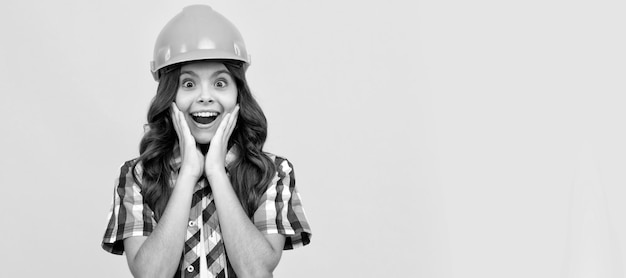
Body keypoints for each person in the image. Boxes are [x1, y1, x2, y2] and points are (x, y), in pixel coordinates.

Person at [101, 5, 311, 278]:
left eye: (220, 83)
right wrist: (188, 174)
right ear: (169, 96)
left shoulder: (272, 173)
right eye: (188, 84)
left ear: (238, 94)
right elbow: (150, 275)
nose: (205, 97)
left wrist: (216, 173)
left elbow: (256, 272)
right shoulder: (137, 175)